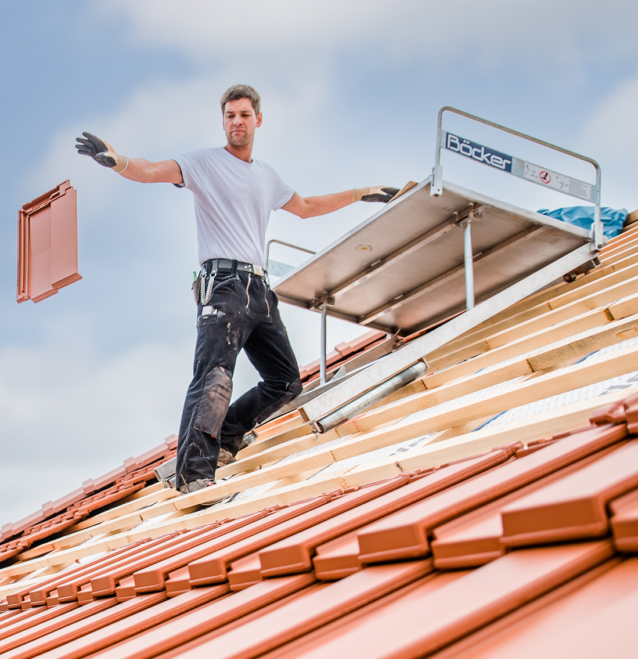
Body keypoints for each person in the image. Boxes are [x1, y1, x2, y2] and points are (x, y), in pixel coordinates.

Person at [76, 84, 398, 494]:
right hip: (223, 284)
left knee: (285, 381)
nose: (237, 123)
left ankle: (227, 434)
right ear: (223, 121)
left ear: (257, 120)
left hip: (259, 289)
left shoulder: (266, 176)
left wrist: (359, 194)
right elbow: (154, 171)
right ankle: (193, 475)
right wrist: (119, 161)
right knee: (213, 378)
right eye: (230, 116)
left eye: (244, 115)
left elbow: (306, 208)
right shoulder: (204, 164)